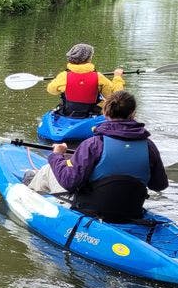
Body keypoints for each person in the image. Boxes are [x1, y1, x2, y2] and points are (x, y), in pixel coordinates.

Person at [24, 91, 168, 221]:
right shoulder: (149, 146)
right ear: (133, 113)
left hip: (91, 209)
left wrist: (57, 155)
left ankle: (27, 197)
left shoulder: (93, 144)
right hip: (131, 209)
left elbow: (69, 182)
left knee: (49, 169)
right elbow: (159, 185)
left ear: (105, 112)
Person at [45, 43, 125, 118]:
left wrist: (58, 80)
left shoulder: (63, 76)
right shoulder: (99, 77)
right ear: (89, 59)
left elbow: (51, 90)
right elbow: (116, 96)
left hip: (69, 113)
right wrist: (117, 77)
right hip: (92, 114)